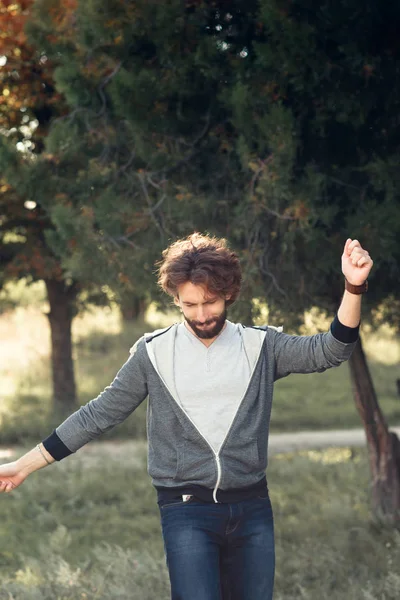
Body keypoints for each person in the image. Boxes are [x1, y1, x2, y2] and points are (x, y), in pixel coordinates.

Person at [0, 233, 373, 600]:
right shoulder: (154, 354)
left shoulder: (261, 346)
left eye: (210, 302)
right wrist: (23, 465)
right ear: (175, 298)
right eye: (190, 304)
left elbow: (332, 350)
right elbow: (96, 415)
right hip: (185, 510)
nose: (201, 315)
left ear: (228, 293)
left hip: (252, 505)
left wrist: (353, 288)